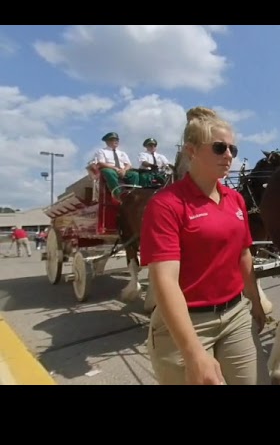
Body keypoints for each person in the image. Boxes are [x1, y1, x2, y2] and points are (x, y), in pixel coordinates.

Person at [139, 106, 268, 385]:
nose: (229, 155)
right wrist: (194, 353)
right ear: (192, 151)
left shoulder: (235, 200)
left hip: (235, 315)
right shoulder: (166, 205)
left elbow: (243, 254)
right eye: (220, 148)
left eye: (233, 148)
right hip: (187, 323)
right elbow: (164, 281)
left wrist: (256, 302)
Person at [94, 132, 140, 200]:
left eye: (117, 140)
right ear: (107, 141)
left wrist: (124, 170)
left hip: (122, 171)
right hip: (110, 169)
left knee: (134, 174)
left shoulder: (122, 153)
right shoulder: (101, 151)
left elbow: (128, 164)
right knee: (108, 172)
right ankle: (118, 195)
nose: (116, 141)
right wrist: (114, 168)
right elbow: (101, 163)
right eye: (113, 140)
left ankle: (133, 194)